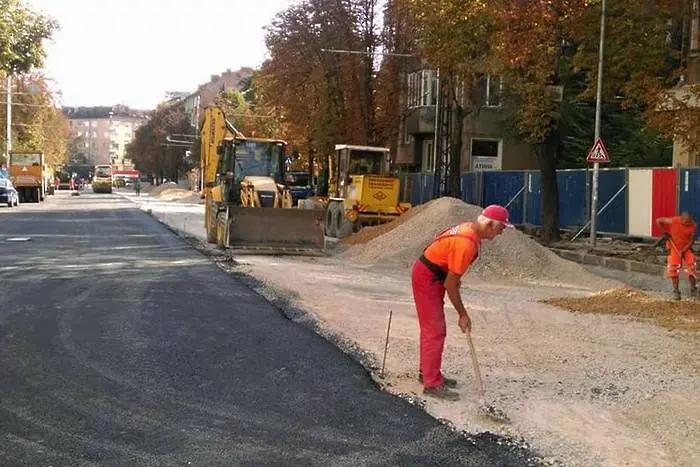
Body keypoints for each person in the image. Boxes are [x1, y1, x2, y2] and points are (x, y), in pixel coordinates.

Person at [411, 204, 512, 401]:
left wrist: (453, 280)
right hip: (428, 278)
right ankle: (431, 384)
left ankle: (428, 373)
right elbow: (451, 284)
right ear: (490, 225)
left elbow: (451, 277)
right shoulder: (467, 243)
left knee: (432, 328)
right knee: (435, 329)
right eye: (501, 229)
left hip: (431, 274)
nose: (500, 234)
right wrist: (462, 314)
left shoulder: (468, 229)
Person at [656, 211, 697, 300]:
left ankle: (693, 289)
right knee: (673, 269)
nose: (688, 224)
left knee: (691, 267)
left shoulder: (693, 225)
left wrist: (683, 250)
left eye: (689, 222)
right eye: (686, 222)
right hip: (674, 248)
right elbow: (658, 220)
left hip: (686, 248)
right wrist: (664, 232)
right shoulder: (674, 221)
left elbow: (691, 241)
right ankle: (676, 291)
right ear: (681, 219)